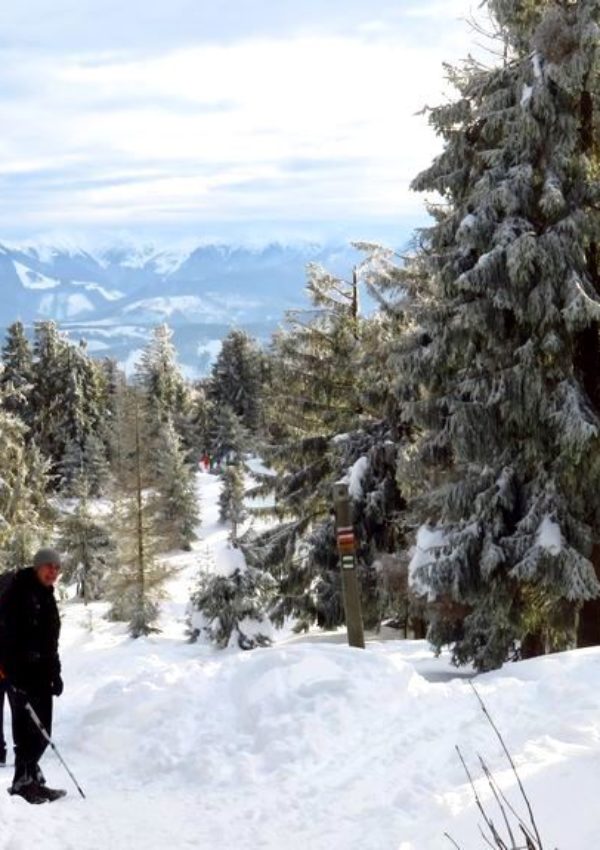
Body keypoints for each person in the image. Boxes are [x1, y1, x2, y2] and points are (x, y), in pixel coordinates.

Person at [0, 548, 64, 804]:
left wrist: (55, 673)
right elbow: (4, 636)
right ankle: (21, 782)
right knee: (26, 729)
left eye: (57, 568)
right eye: (48, 566)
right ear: (37, 567)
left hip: (42, 674)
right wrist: (11, 675)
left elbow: (51, 641)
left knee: (43, 730)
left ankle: (33, 777)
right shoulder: (18, 591)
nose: (53, 572)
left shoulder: (47, 595)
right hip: (19, 674)